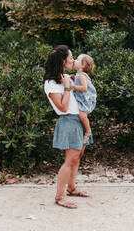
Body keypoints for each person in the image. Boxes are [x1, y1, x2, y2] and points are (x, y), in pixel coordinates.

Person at [44, 45, 93, 209]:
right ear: (63, 61)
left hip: (77, 121)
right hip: (68, 121)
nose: (73, 60)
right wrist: (66, 86)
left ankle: (71, 188)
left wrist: (69, 81)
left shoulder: (64, 76)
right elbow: (63, 107)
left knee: (77, 156)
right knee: (70, 159)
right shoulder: (51, 83)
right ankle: (60, 196)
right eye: (71, 58)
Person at [70, 54, 97, 144]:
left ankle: (88, 131)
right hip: (82, 98)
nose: (74, 60)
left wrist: (73, 86)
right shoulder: (78, 75)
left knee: (82, 115)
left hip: (86, 100)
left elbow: (84, 88)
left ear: (83, 65)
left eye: (77, 60)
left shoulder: (82, 76)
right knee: (81, 115)